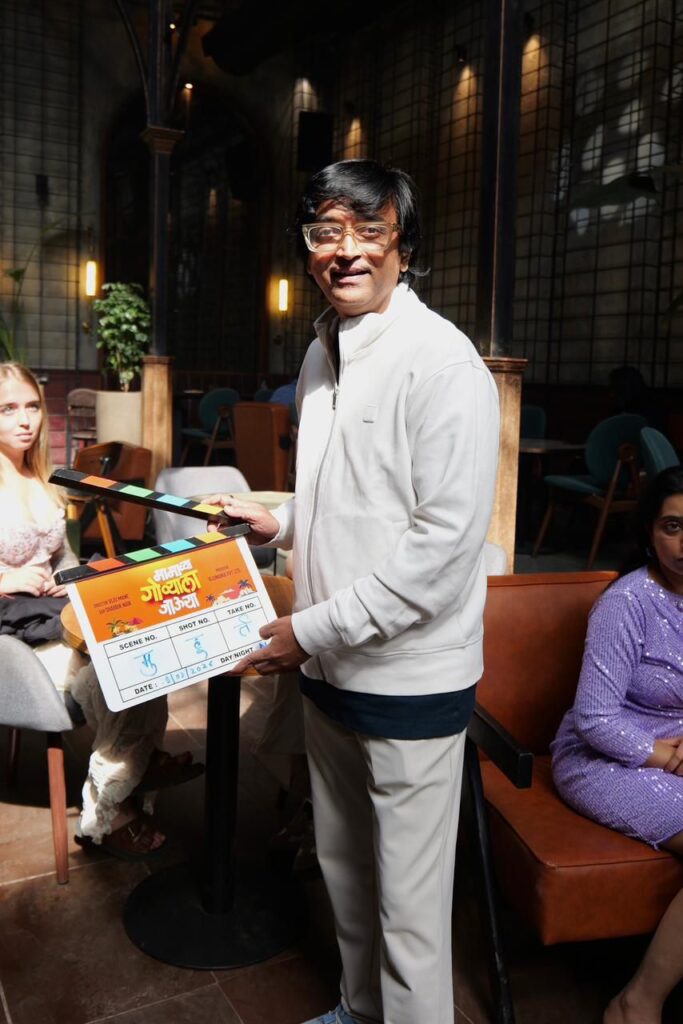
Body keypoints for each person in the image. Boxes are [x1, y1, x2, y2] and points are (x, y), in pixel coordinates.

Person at [210, 159, 500, 1024]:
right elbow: (346, 492)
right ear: (307, 249)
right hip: (329, 668)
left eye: (368, 231)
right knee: (342, 866)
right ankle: (358, 1008)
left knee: (410, 912)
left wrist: (306, 630)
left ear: (402, 247)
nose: (346, 251)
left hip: (408, 679)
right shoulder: (319, 352)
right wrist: (279, 523)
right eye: (325, 232)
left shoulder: (442, 364)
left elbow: (439, 551)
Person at [0, 362, 200, 860]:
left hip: (49, 614)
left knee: (140, 651)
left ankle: (122, 782)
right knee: (113, 673)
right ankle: (114, 803)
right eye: (7, 409)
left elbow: (62, 555)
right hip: (11, 640)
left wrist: (69, 575)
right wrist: (4, 580)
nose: (25, 420)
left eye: (31, 406)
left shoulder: (40, 476)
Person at [551, 465, 683, 1024]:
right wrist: (667, 756)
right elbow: (595, 718)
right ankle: (635, 1004)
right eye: (673, 526)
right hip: (605, 756)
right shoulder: (627, 602)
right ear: (650, 532)